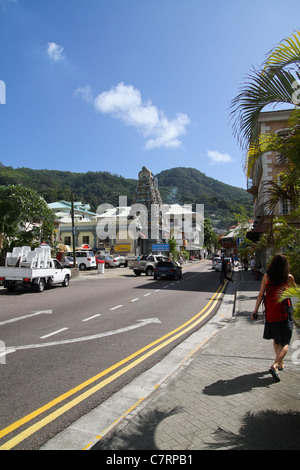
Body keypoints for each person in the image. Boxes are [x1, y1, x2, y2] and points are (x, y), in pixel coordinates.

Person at [251, 254, 296, 382]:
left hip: (270, 314)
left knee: (277, 340)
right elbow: (295, 293)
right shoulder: (288, 278)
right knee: (285, 342)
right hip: (284, 312)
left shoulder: (267, 277)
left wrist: (255, 312)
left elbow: (260, 295)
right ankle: (275, 364)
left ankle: (280, 364)